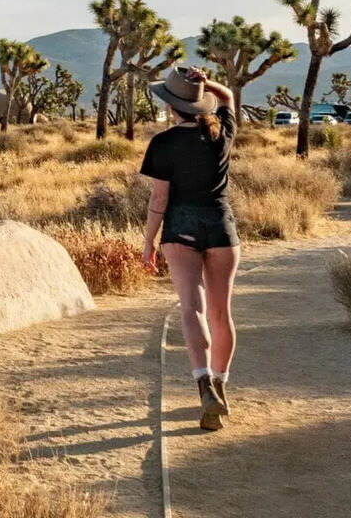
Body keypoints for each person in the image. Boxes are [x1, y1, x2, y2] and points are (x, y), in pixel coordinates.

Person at [140, 64, 240, 431]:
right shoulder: (222, 133)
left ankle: (203, 386)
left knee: (191, 309)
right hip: (220, 226)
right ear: (199, 104)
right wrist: (202, 82)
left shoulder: (162, 143)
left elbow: (159, 198)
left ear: (170, 106)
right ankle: (221, 382)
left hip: (180, 228)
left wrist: (149, 241)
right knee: (220, 312)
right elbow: (227, 96)